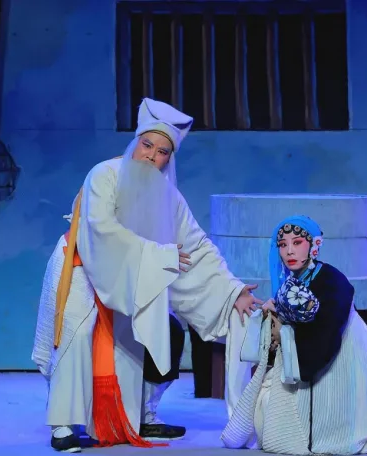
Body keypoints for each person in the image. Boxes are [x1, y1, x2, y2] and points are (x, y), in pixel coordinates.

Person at [32, 98, 261, 453]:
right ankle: (63, 422)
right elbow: (102, 231)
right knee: (78, 333)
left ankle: (137, 415)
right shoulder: (104, 174)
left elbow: (196, 246)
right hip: (80, 267)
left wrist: (233, 291)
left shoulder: (169, 198)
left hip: (129, 277)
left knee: (157, 335)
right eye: (147, 145)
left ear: (169, 158)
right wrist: (159, 256)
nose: (152, 156)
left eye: (162, 151)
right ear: (135, 143)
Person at [221, 215, 367, 455]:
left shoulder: (332, 280)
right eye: (283, 244)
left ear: (314, 245)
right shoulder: (293, 281)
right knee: (265, 414)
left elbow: (326, 334)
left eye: (297, 242)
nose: (289, 251)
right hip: (304, 359)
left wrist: (285, 331)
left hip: (343, 358)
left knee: (328, 425)